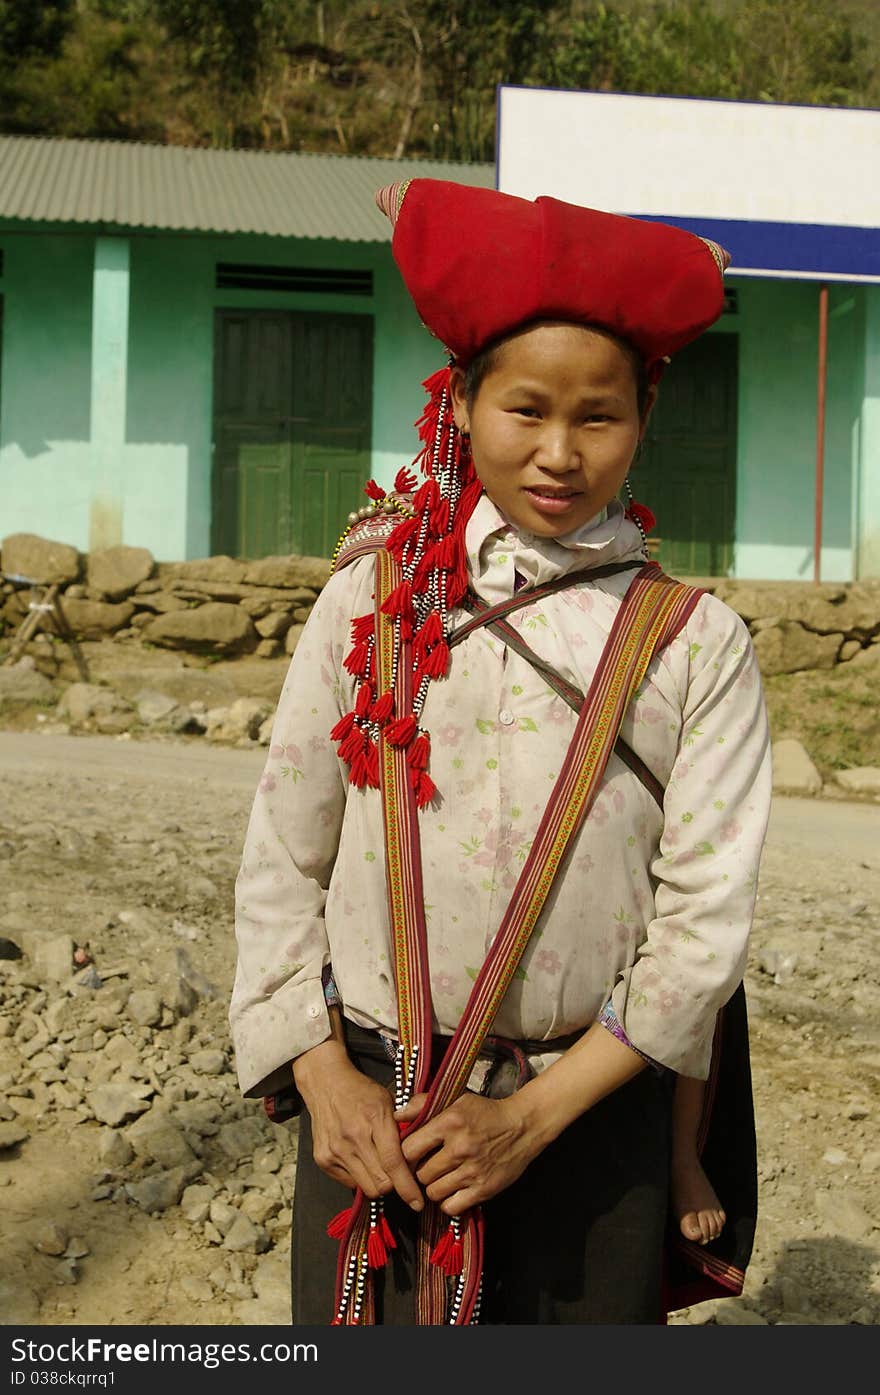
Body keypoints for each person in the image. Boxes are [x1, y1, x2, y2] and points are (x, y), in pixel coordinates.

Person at [229, 178, 771, 1325]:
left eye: (599, 417)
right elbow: (285, 855)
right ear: (463, 404)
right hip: (376, 1111)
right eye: (526, 410)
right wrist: (321, 1073)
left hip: (587, 1114)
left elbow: (702, 924)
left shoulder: (692, 643)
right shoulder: (371, 604)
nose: (561, 453)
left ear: (644, 419)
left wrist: (531, 1117)